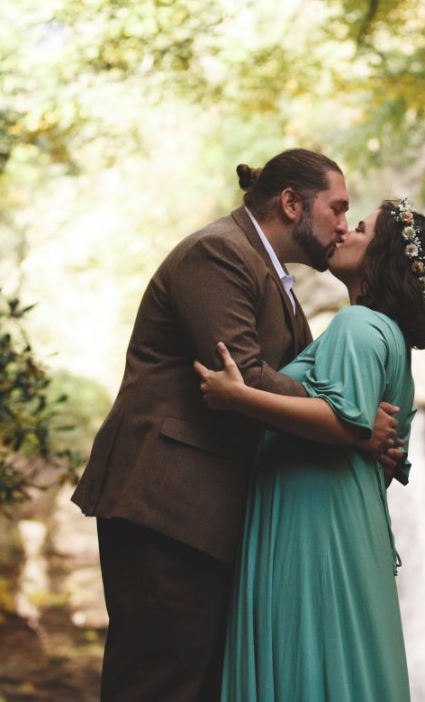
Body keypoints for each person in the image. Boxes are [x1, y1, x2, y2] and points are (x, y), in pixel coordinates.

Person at [70, 149, 402, 702]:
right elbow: (241, 377)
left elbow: (299, 392)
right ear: (292, 203)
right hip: (168, 506)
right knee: (155, 685)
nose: (344, 226)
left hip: (209, 519)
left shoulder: (276, 278)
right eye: (338, 209)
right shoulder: (218, 253)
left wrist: (358, 434)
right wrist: (351, 425)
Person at [195, 198, 425, 702]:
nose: (343, 233)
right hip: (343, 522)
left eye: (360, 228)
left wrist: (239, 396)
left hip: (317, 528)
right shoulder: (390, 340)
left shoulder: (358, 326)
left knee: (304, 661)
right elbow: (385, 447)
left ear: (383, 256)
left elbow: (344, 419)